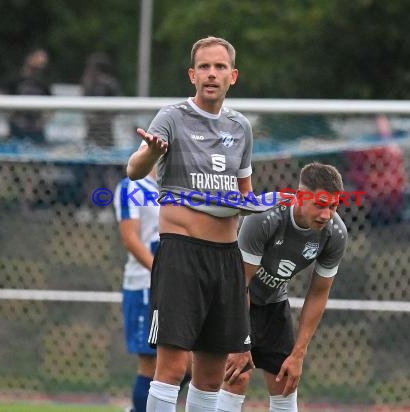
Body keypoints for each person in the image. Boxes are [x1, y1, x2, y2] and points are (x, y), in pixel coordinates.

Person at [126, 36, 257, 412]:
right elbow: (134, 171)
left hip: (226, 259)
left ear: (233, 76)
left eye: (219, 67)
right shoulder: (171, 117)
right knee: (170, 368)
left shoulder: (241, 127)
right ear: (192, 74)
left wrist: (267, 206)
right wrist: (150, 153)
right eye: (204, 67)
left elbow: (245, 196)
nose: (211, 74)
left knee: (212, 376)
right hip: (182, 255)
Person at [216, 163, 349, 412]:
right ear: (300, 196)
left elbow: (319, 292)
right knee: (237, 376)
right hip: (233, 298)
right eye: (320, 204)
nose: (326, 215)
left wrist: (298, 353)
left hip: (273, 300)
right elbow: (239, 283)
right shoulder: (265, 216)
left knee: (286, 380)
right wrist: (240, 343)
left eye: (333, 206)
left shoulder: (336, 233)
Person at [114, 169, 192, 412]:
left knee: (187, 366)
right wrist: (159, 272)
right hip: (145, 286)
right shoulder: (131, 187)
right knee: (152, 364)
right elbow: (130, 238)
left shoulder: (176, 187)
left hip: (177, 287)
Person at [2, 48, 52, 143]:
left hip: (36, 127)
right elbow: (2, 98)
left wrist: (43, 121)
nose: (42, 63)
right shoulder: (14, 78)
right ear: (29, 58)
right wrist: (12, 117)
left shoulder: (44, 82)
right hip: (17, 125)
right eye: (39, 59)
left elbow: (52, 105)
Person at [81, 51, 122, 147]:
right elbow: (84, 103)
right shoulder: (89, 83)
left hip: (105, 128)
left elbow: (118, 107)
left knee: (105, 150)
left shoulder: (110, 84)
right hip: (91, 126)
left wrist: (104, 118)